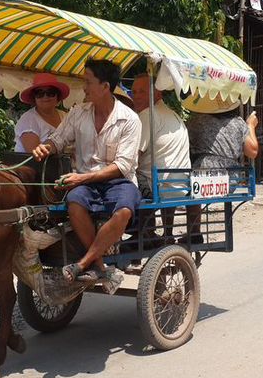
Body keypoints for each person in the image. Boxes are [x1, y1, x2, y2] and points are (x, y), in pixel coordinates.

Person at [31, 59, 141, 283]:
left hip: (119, 182)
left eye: (88, 82)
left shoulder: (129, 119)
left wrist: (82, 177)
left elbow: (122, 166)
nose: (84, 87)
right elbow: (58, 140)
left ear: (105, 87)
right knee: (74, 202)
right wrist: (46, 148)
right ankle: (100, 264)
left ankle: (83, 263)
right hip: (86, 184)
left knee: (124, 211)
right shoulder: (78, 113)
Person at [131, 73, 197, 243]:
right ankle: (162, 234)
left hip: (158, 186)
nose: (136, 96)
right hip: (178, 185)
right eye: (134, 92)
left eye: (142, 92)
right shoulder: (172, 114)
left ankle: (143, 234)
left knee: (122, 179)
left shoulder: (148, 114)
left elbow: (132, 157)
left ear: (157, 93)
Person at [187, 107, 259, 169]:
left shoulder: (195, 121)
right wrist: (250, 125)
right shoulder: (237, 123)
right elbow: (252, 152)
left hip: (201, 171)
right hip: (230, 174)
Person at [14, 74, 70, 153]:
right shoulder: (29, 119)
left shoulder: (65, 116)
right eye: (39, 93)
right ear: (34, 98)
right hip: (33, 165)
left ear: (57, 96)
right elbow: (35, 155)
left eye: (50, 92)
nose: (45, 96)